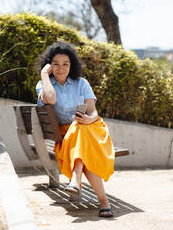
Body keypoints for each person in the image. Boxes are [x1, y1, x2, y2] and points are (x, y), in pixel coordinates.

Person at [35, 41, 115, 218]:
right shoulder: (44, 84)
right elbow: (50, 99)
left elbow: (93, 111)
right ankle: (104, 202)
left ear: (72, 65)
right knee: (83, 149)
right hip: (66, 137)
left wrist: (88, 119)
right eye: (55, 64)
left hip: (91, 128)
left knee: (80, 127)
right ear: (49, 66)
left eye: (65, 64)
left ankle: (75, 179)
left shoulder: (82, 83)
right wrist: (43, 75)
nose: (61, 68)